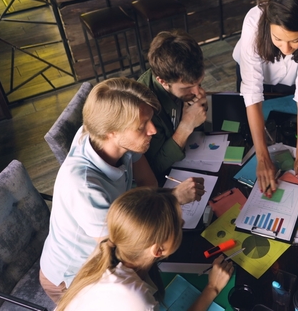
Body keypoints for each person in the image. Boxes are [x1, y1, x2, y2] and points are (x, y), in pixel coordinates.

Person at [39, 78, 204, 303]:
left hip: (114, 250)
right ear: (111, 133)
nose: (153, 130)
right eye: (142, 126)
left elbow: (149, 183)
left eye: (150, 120)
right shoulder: (83, 185)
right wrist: (173, 198)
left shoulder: (119, 140)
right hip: (78, 274)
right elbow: (125, 246)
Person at [56, 187, 234, 311]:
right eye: (178, 226)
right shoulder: (137, 299)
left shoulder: (103, 254)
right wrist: (212, 288)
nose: (183, 222)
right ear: (157, 251)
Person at [233, 0, 298, 196]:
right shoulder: (254, 21)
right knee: (248, 131)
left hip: (288, 79)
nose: (286, 50)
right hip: (254, 75)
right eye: (278, 39)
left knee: (283, 123)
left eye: (295, 40)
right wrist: (263, 158)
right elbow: (252, 92)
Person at [138, 30, 208, 183]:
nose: (197, 92)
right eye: (187, 88)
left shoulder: (183, 77)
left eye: (199, 82)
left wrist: (198, 112)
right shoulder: (143, 108)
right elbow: (152, 169)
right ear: (162, 81)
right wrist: (186, 126)